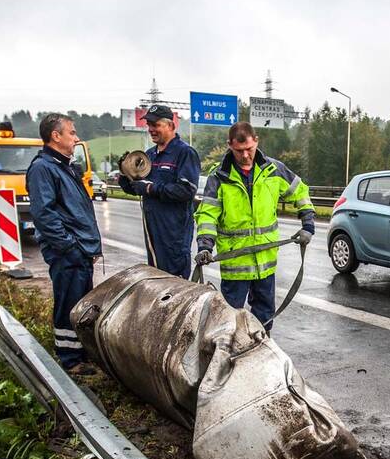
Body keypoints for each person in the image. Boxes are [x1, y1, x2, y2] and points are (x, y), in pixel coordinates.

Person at [194, 122, 315, 333]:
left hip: (265, 262)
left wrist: (308, 224)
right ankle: (230, 359)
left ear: (256, 141)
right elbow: (207, 215)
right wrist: (205, 246)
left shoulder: (274, 170)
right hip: (235, 264)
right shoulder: (219, 177)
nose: (245, 155)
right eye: (239, 151)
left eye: (249, 149)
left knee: (265, 315)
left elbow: (300, 191)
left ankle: (261, 351)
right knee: (230, 320)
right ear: (229, 146)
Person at [26, 113, 102, 374]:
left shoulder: (64, 166)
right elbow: (44, 215)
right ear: (55, 136)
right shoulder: (43, 169)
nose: (76, 137)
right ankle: (70, 360)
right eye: (71, 132)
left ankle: (81, 352)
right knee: (69, 304)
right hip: (68, 253)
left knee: (80, 305)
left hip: (79, 250)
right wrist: (69, 247)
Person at [118, 104, 201, 278]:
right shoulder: (149, 155)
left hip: (174, 235)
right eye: (149, 125)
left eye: (155, 125)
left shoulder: (185, 153)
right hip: (153, 233)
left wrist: (150, 188)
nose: (151, 129)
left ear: (171, 126)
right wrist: (125, 177)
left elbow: (186, 191)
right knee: (156, 282)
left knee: (174, 287)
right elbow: (138, 188)